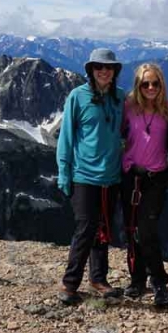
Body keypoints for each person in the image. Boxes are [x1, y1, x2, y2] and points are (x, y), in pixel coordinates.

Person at [56, 48, 125, 305]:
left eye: (109, 67)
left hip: (112, 176)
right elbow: (66, 138)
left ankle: (98, 279)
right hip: (84, 175)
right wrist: (64, 173)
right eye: (99, 67)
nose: (104, 71)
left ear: (115, 71)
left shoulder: (120, 97)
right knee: (86, 227)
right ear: (91, 71)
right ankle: (70, 283)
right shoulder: (77, 96)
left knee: (103, 228)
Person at [121, 63, 168, 308]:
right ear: (138, 86)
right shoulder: (128, 108)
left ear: (161, 85)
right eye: (145, 83)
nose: (151, 87)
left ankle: (159, 280)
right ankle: (137, 279)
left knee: (147, 229)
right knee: (133, 230)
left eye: (155, 83)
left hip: (156, 179)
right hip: (131, 176)